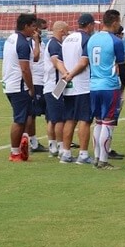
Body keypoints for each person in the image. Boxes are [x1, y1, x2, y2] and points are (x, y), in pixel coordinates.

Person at [87, 9, 125, 169]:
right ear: (115, 22)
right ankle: (103, 160)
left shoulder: (91, 40)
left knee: (98, 122)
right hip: (109, 86)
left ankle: (97, 157)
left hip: (94, 85)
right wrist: (123, 86)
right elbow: (122, 68)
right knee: (109, 122)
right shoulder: (116, 42)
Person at [59, 13, 96, 165]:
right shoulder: (87, 39)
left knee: (70, 119)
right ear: (89, 25)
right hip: (82, 85)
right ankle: (83, 154)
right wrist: (71, 75)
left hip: (69, 85)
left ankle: (66, 153)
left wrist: (66, 75)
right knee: (84, 120)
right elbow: (83, 63)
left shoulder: (67, 39)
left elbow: (60, 60)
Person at [2, 13, 37, 162]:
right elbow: (25, 69)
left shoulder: (11, 39)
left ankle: (24, 139)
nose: (35, 30)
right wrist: (31, 87)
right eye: (33, 26)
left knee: (26, 116)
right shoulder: (22, 44)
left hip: (9, 83)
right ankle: (14, 152)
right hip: (19, 86)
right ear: (26, 26)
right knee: (19, 119)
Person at [43, 20, 70, 158]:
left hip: (53, 84)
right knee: (59, 118)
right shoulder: (54, 44)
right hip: (56, 85)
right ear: (61, 31)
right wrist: (66, 73)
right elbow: (55, 61)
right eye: (66, 30)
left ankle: (52, 145)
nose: (68, 32)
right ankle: (59, 146)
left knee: (52, 117)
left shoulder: (56, 43)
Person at [25, 18, 49, 153]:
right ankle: (32, 142)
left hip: (45, 81)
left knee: (50, 113)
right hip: (36, 81)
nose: (43, 32)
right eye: (42, 29)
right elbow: (35, 58)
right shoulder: (30, 44)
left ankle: (55, 141)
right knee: (31, 113)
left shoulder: (42, 43)